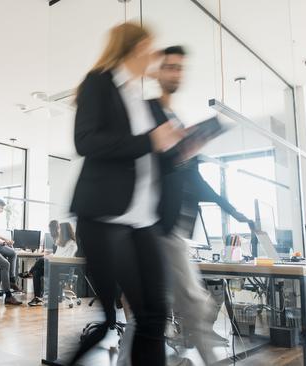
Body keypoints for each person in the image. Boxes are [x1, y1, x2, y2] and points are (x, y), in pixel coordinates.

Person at [117, 45, 253, 366]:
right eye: (170, 67)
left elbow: (194, 178)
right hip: (152, 225)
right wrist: (185, 144)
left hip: (171, 227)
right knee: (185, 306)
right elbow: (148, 159)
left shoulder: (174, 119)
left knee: (164, 309)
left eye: (180, 68)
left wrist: (232, 210)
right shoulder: (148, 110)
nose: (176, 73)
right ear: (158, 72)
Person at [68, 22, 185, 366]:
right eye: (150, 47)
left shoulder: (141, 97)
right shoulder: (99, 83)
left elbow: (153, 155)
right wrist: (150, 141)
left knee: (154, 315)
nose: (154, 55)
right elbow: (85, 141)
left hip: (144, 220)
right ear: (135, 48)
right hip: (106, 217)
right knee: (109, 321)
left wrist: (178, 150)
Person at [21, 222, 78, 306]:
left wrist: (51, 258)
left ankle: (29, 273)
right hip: (55, 265)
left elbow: (67, 259)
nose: (59, 231)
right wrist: (50, 256)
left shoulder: (72, 244)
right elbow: (58, 255)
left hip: (63, 267)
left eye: (60, 229)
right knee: (37, 272)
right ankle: (38, 298)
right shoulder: (61, 243)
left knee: (41, 260)